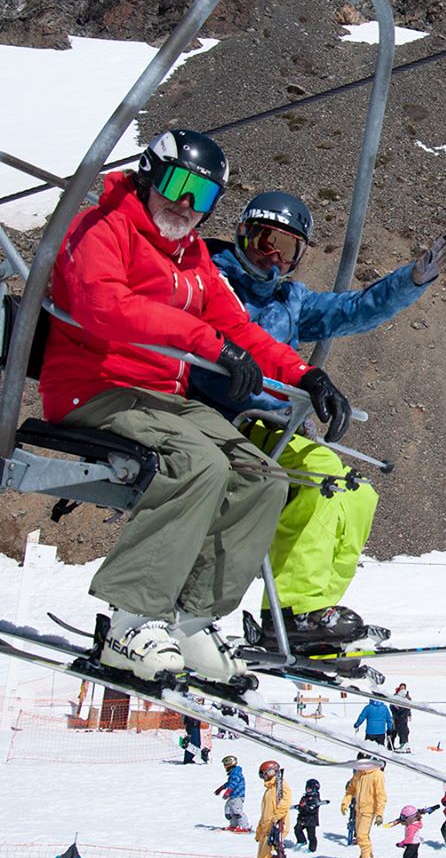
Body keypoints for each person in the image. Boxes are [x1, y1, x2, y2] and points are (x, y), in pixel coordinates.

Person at [39, 130, 352, 685]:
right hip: (96, 388)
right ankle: (131, 620)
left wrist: (305, 374)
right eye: (177, 184)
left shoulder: (193, 255)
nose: (185, 204)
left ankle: (191, 619)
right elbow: (104, 306)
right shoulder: (100, 228)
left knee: (262, 477)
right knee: (199, 465)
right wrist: (207, 344)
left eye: (201, 195)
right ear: (148, 176)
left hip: (163, 399)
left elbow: (236, 327)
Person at [190, 190, 446, 654]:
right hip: (222, 419)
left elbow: (352, 311)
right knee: (320, 478)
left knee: (357, 494)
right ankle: (293, 612)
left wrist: (412, 279)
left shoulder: (289, 301)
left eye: (287, 248)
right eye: (263, 240)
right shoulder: (210, 282)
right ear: (241, 234)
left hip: (268, 426)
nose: (272, 256)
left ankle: (316, 611)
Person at [340, 753, 387, 858]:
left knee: (361, 835)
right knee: (362, 835)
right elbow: (351, 789)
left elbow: (381, 795)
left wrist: (379, 814)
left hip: (369, 810)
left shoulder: (377, 774)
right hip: (359, 809)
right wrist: (345, 803)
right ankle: (367, 856)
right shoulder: (359, 773)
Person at [256, 760, 291, 858]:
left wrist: (276, 817)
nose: (264, 777)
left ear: (272, 771)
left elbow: (285, 803)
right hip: (266, 828)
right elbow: (265, 812)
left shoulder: (281, 786)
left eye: (265, 773)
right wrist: (259, 830)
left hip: (275, 826)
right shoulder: (269, 789)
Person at [215, 755, 250, 832]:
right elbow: (229, 783)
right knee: (231, 810)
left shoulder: (236, 773)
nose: (224, 767)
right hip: (233, 796)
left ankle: (244, 827)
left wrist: (228, 791)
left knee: (237, 811)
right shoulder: (233, 773)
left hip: (238, 795)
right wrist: (221, 788)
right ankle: (234, 825)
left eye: (225, 764)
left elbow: (234, 783)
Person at [293, 778, 329, 852]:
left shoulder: (315, 799)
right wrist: (299, 807)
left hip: (311, 820)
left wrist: (305, 806)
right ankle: (301, 841)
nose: (308, 790)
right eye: (307, 788)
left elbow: (312, 810)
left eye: (310, 788)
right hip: (302, 819)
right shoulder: (304, 797)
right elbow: (302, 807)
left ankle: (312, 849)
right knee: (297, 829)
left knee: (311, 835)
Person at [389, 683, 412, 753]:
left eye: (403, 688)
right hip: (396, 717)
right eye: (401, 688)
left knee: (403, 730)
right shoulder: (395, 696)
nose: (402, 689)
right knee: (395, 730)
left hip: (403, 717)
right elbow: (391, 706)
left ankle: (404, 744)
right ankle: (391, 745)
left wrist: (409, 715)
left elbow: (409, 707)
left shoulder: (407, 697)